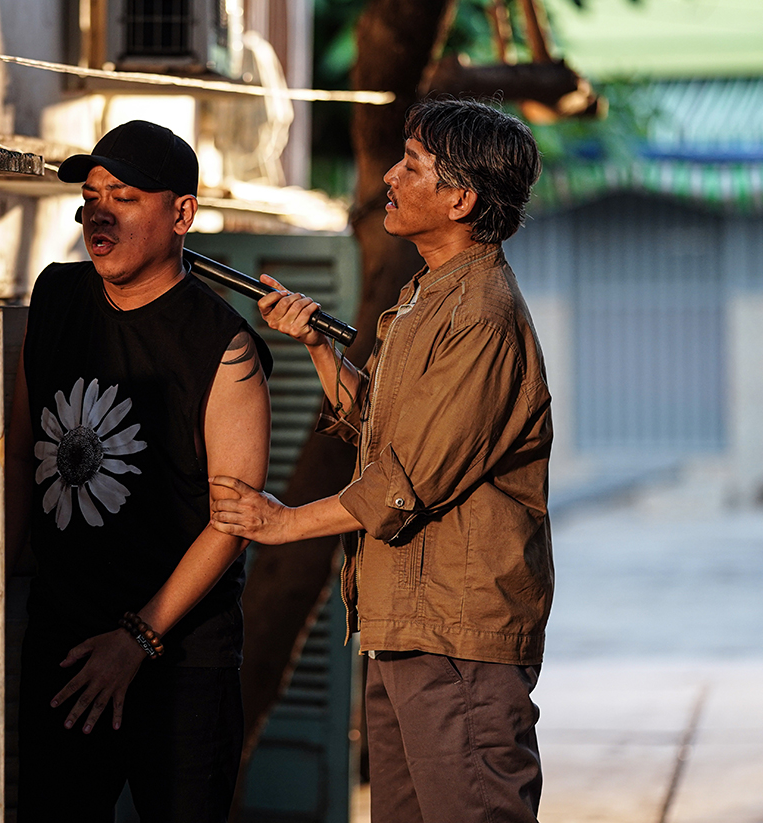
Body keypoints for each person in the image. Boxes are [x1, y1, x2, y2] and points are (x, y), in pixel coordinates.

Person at [210, 98, 553, 823]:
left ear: (460, 198)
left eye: (412, 164)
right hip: (406, 628)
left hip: (459, 641)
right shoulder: (424, 297)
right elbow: (383, 429)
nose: (389, 177)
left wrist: (282, 521)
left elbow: (404, 483)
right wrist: (317, 347)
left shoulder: (482, 318)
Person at [5, 119, 272, 822]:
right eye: (92, 194)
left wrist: (139, 638)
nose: (100, 210)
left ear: (181, 212)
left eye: (123, 195)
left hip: (180, 658)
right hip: (64, 647)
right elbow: (20, 459)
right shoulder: (56, 298)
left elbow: (232, 521)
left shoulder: (224, 347)